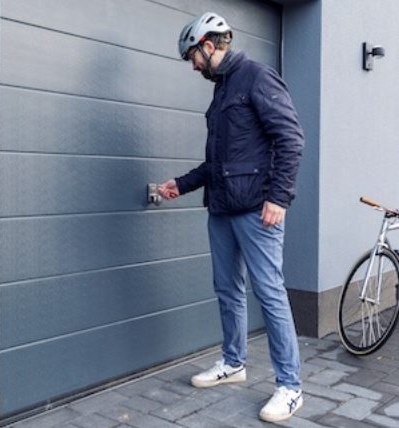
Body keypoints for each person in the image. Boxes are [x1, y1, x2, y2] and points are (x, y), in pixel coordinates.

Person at [158, 11, 305, 423]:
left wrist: (279, 197)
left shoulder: (256, 77)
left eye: (192, 56)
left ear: (208, 44)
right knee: (227, 290)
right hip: (222, 208)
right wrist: (180, 184)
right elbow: (216, 162)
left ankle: (290, 387)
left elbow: (291, 138)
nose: (192, 66)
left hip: (258, 210)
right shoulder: (221, 90)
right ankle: (233, 363)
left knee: (270, 294)